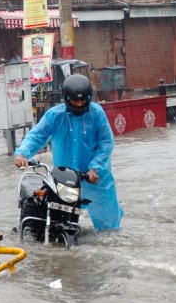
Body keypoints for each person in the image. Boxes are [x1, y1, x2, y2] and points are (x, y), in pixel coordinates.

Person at [14, 74, 123, 230]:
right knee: (56, 221)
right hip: (66, 178)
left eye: (83, 100)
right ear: (66, 98)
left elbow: (106, 143)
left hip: (94, 177)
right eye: (75, 100)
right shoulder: (54, 116)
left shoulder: (97, 113)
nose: (79, 104)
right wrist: (22, 153)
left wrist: (95, 167)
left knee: (110, 228)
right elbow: (36, 136)